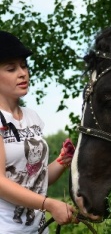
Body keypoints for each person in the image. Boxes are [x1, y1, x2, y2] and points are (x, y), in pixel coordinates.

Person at [0, 30, 76, 233]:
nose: (22, 73)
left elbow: (36, 178)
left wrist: (62, 160)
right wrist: (49, 204)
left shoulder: (32, 117)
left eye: (24, 66)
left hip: (40, 229)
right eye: (11, 68)